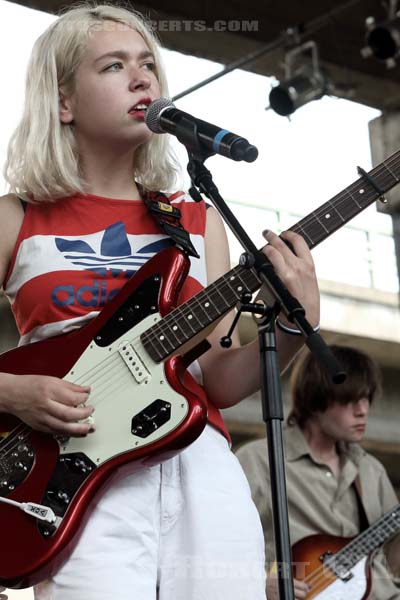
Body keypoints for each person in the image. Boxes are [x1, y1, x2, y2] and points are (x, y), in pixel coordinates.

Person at [0, 3, 320, 599]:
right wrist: (12, 392)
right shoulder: (16, 218)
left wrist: (295, 325)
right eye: (113, 66)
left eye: (148, 63)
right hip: (74, 478)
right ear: (63, 103)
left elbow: (218, 380)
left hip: (199, 467)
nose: (143, 78)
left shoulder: (196, 223)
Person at [237, 345, 400, 600]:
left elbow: (392, 563)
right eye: (350, 399)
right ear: (316, 398)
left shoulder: (371, 470)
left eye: (366, 398)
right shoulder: (260, 460)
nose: (363, 410)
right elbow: (220, 540)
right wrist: (258, 582)